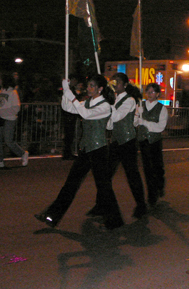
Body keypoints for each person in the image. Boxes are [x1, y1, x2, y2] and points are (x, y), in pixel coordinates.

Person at [34, 74, 124, 230]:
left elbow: (85, 114)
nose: (88, 88)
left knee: (104, 187)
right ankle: (52, 215)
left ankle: (115, 220)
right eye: (88, 85)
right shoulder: (87, 102)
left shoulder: (105, 106)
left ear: (100, 89)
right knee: (71, 184)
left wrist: (71, 94)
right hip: (86, 149)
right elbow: (67, 107)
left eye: (92, 86)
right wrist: (65, 92)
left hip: (99, 150)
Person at [103, 73, 147, 218]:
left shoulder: (130, 101)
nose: (116, 84)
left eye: (119, 82)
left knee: (132, 175)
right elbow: (110, 125)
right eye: (113, 81)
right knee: (105, 175)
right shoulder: (115, 100)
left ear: (125, 85)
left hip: (127, 142)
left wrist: (109, 104)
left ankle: (141, 205)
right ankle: (100, 205)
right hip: (116, 141)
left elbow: (116, 116)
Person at [135, 83, 168, 207]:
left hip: (154, 141)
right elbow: (135, 121)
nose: (149, 94)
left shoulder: (161, 108)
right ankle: (151, 195)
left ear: (157, 94)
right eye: (148, 91)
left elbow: (160, 127)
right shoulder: (141, 106)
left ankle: (159, 185)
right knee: (147, 169)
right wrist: (136, 117)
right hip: (143, 141)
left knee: (157, 167)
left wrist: (144, 122)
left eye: (152, 92)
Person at [0, 73, 29, 169]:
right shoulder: (1, 91)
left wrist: (2, 112)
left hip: (9, 119)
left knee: (8, 141)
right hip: (1, 118)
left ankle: (22, 153)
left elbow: (16, 108)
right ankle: (0, 161)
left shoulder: (13, 92)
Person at [62, 74, 86, 160]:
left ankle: (70, 152)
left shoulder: (78, 92)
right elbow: (67, 104)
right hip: (69, 116)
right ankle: (67, 152)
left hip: (73, 115)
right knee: (69, 135)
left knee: (72, 135)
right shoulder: (70, 91)